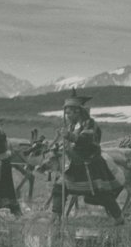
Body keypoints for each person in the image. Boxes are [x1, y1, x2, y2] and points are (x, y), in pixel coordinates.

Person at [51, 90, 124, 225]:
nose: (67, 116)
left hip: (91, 166)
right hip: (74, 165)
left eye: (69, 113)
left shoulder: (90, 124)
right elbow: (69, 144)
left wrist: (69, 136)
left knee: (102, 194)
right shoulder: (71, 125)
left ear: (77, 111)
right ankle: (55, 218)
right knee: (59, 188)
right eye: (66, 113)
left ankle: (119, 219)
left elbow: (86, 140)